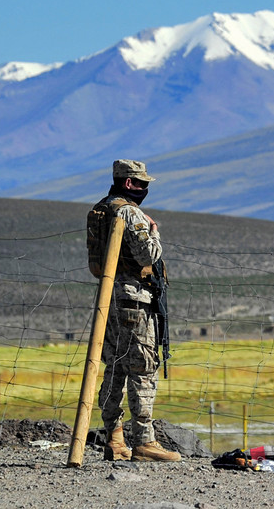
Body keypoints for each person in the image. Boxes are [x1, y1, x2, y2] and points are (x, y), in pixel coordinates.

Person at [86, 159, 180, 462]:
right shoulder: (129, 212)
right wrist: (154, 230)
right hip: (134, 298)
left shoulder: (99, 210)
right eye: (143, 183)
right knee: (142, 367)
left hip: (108, 296)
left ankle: (113, 438)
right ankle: (144, 441)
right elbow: (148, 253)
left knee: (114, 367)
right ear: (129, 183)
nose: (145, 189)